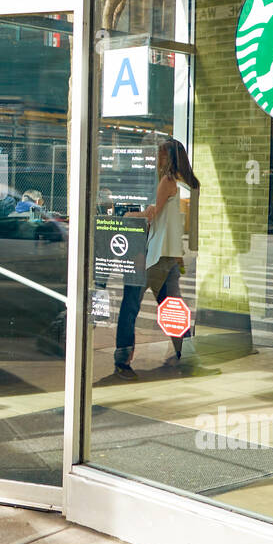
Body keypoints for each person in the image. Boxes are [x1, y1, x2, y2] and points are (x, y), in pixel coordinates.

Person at [112, 139, 200, 380]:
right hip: (171, 256)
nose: (157, 159)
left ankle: (122, 360)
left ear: (168, 158)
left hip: (152, 256)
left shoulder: (167, 182)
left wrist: (129, 214)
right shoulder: (186, 185)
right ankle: (188, 353)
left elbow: (152, 217)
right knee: (173, 307)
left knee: (130, 307)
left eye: (160, 155)